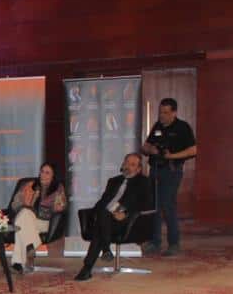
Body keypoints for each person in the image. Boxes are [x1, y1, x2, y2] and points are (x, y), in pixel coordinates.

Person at [74, 153, 153, 282]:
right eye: (126, 163)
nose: (128, 166)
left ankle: (88, 266)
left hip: (126, 221)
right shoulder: (113, 181)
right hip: (106, 217)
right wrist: (94, 213)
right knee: (103, 215)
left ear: (139, 169)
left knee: (101, 224)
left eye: (132, 165)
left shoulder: (143, 182)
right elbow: (103, 201)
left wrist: (126, 213)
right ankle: (101, 254)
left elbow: (145, 204)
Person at [141, 98, 196, 256]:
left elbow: (193, 150)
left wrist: (172, 156)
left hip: (171, 171)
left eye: (165, 112)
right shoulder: (157, 126)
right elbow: (145, 146)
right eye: (160, 112)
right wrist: (150, 150)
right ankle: (155, 242)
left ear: (174, 112)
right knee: (154, 207)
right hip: (155, 170)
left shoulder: (182, 127)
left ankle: (174, 243)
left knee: (167, 205)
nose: (162, 115)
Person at [9, 162, 67, 272]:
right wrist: (29, 200)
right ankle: (29, 247)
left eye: (47, 173)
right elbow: (14, 204)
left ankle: (19, 261)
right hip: (27, 218)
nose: (43, 175)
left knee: (21, 224)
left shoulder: (58, 188)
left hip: (44, 221)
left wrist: (52, 204)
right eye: (42, 172)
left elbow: (61, 207)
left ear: (53, 176)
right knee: (25, 214)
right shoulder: (29, 185)